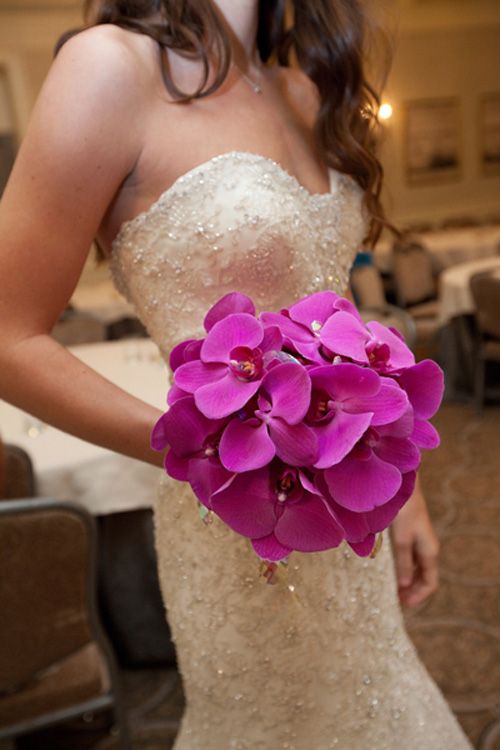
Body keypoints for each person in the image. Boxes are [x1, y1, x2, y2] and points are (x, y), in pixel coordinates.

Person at [0, 1, 473, 747]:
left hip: (345, 502)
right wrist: (203, 447)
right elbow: (7, 334)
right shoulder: (110, 67)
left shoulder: (301, 89)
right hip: (228, 513)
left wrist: (393, 477)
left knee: (375, 698)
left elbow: (333, 304)